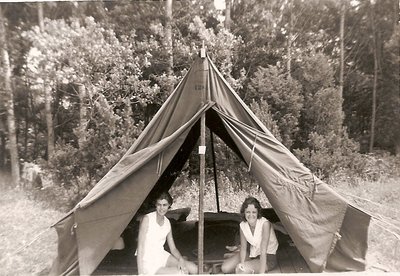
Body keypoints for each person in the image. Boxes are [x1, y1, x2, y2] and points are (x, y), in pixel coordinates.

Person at [136, 192, 198, 275]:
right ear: (155, 205)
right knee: (180, 273)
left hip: (161, 255)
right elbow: (140, 247)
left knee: (194, 269)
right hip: (148, 260)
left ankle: (182, 260)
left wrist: (181, 260)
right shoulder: (147, 219)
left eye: (164, 205)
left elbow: (173, 248)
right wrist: (140, 273)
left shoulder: (167, 222)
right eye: (159, 204)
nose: (161, 208)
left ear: (169, 205)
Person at [221, 196, 279, 274]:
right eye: (248, 212)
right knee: (225, 268)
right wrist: (241, 263)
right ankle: (242, 261)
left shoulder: (265, 224)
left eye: (254, 212)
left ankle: (244, 264)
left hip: (267, 258)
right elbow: (244, 248)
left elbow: (263, 250)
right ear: (244, 212)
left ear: (258, 212)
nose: (251, 215)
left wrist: (261, 273)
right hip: (252, 254)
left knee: (240, 270)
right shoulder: (243, 225)